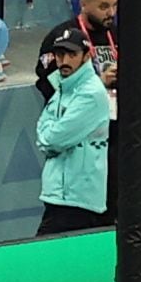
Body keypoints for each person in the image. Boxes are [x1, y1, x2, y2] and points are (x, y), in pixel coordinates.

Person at [32, 19, 113, 236]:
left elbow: (53, 138)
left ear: (87, 56)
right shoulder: (64, 86)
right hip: (59, 194)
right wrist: (47, 136)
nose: (64, 61)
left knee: (43, 261)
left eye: (71, 55)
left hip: (78, 199)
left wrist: (47, 138)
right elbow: (45, 129)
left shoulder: (90, 94)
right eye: (59, 55)